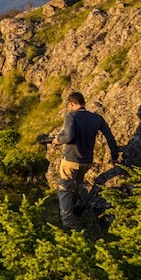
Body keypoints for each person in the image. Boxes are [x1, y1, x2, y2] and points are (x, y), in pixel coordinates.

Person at [51, 92, 119, 230]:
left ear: (71, 104)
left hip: (71, 159)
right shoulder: (97, 118)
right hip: (87, 161)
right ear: (84, 102)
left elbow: (68, 136)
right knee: (76, 185)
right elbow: (110, 137)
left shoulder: (71, 116)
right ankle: (75, 209)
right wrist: (115, 154)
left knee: (65, 188)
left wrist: (58, 140)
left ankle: (69, 223)